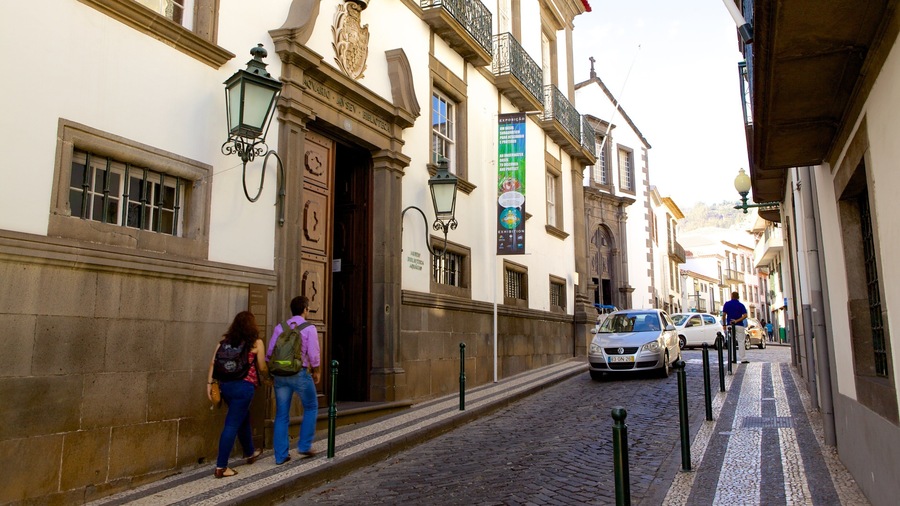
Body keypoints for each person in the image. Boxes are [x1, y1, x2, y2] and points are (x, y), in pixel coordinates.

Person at [207, 311, 268, 478]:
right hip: (244, 388)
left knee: (242, 417)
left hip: (225, 387)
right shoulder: (256, 343)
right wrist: (269, 377)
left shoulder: (224, 343)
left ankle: (249, 453)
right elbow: (262, 367)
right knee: (232, 424)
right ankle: (221, 467)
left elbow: (213, 363)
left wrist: (209, 384)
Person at [266, 295, 321, 465]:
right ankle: (304, 445)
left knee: (281, 414)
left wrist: (270, 374)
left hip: (281, 375)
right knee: (311, 406)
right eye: (308, 308)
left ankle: (281, 455)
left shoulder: (280, 327)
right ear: (305, 309)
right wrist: (317, 370)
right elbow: (313, 353)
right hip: (300, 373)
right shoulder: (309, 328)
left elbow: (270, 353)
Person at [722, 291, 750, 364]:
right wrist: (737, 320)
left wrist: (724, 325)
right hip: (739, 325)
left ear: (731, 296)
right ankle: (743, 358)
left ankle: (731, 358)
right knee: (741, 342)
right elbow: (745, 315)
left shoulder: (727, 304)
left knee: (730, 341)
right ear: (738, 297)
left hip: (729, 325)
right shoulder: (741, 305)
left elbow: (724, 315)